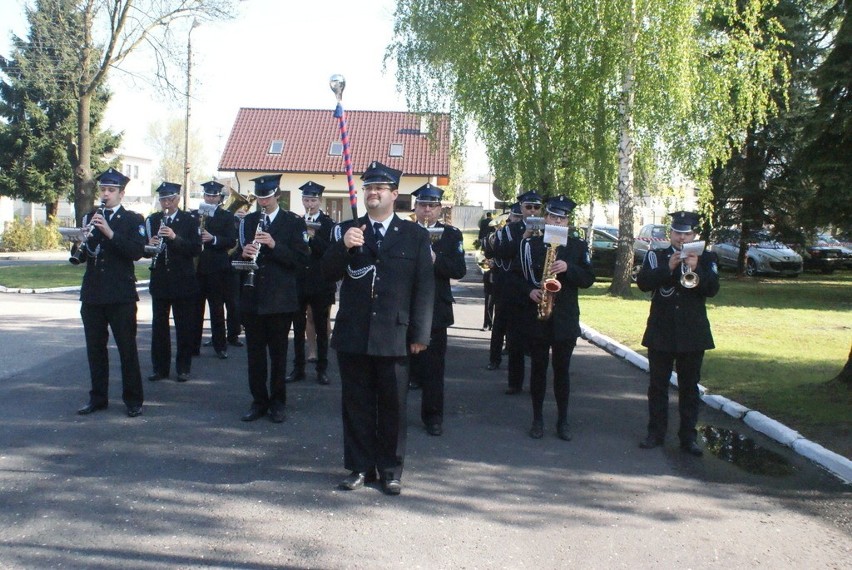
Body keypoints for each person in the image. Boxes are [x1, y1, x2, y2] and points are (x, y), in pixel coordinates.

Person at [321, 161, 435, 496]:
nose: (373, 193)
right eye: (368, 187)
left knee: (393, 406)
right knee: (356, 404)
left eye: (380, 188)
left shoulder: (415, 235)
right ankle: (358, 467)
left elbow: (424, 288)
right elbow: (323, 276)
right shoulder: (349, 230)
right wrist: (342, 246)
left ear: (393, 195)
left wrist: (420, 335)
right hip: (354, 333)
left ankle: (390, 470)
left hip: (395, 335)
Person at [507, 196, 595, 440]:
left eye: (562, 217)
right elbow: (514, 277)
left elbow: (588, 279)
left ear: (568, 221)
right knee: (537, 370)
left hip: (565, 319)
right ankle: (537, 419)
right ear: (545, 218)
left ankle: (563, 421)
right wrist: (529, 291)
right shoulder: (531, 245)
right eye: (553, 216)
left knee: (562, 372)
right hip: (537, 317)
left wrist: (569, 268)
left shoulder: (577, 247)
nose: (557, 220)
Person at [636, 210, 720, 457]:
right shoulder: (656, 255)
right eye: (677, 233)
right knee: (657, 386)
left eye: (687, 234)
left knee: (689, 388)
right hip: (661, 331)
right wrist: (667, 267)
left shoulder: (707, 258)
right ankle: (655, 433)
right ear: (670, 233)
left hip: (692, 333)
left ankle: (688, 438)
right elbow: (643, 284)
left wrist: (698, 269)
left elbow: (713, 289)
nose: (681, 239)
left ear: (694, 235)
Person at [234, 174, 310, 423]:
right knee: (255, 356)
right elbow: (234, 257)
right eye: (259, 198)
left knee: (278, 355)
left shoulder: (293, 223)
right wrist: (243, 253)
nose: (263, 202)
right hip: (253, 297)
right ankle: (258, 401)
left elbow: (301, 260)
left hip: (280, 300)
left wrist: (275, 245)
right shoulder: (248, 222)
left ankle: (278, 402)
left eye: (267, 197)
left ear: (278, 196)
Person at [76, 168, 147, 417]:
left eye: (111, 190)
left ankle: (133, 400)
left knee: (127, 349)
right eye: (103, 190)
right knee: (95, 349)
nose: (106, 194)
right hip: (93, 293)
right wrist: (80, 242)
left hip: (120, 295)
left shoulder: (133, 219)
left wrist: (110, 232)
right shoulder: (90, 217)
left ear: (121, 193)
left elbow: (136, 251)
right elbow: (85, 255)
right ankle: (98, 397)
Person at [408, 183, 467, 436]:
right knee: (403, 365)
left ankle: (433, 417)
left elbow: (459, 270)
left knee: (434, 368)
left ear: (440, 209)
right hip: (407, 306)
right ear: (416, 207)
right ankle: (396, 415)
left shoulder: (451, 235)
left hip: (436, 308)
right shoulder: (406, 231)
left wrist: (436, 260)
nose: (427, 211)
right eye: (423, 205)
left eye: (432, 206)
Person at [145, 182, 202, 383]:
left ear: (178, 199)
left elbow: (195, 249)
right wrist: (149, 246)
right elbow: (144, 249)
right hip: (160, 279)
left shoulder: (189, 220)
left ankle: (183, 367)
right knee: (159, 327)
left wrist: (174, 237)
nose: (166, 203)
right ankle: (160, 368)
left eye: (169, 199)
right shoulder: (152, 220)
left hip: (183, 281)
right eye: (162, 199)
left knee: (184, 326)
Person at [491, 191, 544, 394]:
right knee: (515, 340)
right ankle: (515, 382)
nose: (532, 211)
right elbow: (502, 253)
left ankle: (538, 383)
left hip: (539, 289)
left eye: (536, 207)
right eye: (528, 207)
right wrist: (524, 238)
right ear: (521, 208)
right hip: (515, 290)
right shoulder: (510, 230)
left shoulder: (547, 229)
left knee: (539, 341)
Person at [287, 181, 337, 385]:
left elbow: (329, 252)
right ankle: (298, 367)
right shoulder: (296, 223)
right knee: (297, 328)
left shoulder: (328, 224)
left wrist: (313, 237)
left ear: (320, 201)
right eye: (307, 199)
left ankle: (322, 368)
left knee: (321, 327)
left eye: (314, 200)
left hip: (320, 282)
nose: (310, 203)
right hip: (299, 282)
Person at [194, 181, 237, 359]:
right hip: (197, 268)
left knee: (217, 309)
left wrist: (213, 239)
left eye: (214, 196)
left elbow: (231, 241)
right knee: (195, 309)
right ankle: (193, 346)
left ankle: (220, 345)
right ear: (204, 196)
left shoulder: (226, 216)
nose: (211, 198)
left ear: (220, 197)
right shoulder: (195, 214)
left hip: (217, 268)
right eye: (208, 195)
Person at [484, 203, 522, 369]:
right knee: (500, 322)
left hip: (521, 284)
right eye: (516, 217)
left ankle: (516, 351)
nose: (518, 220)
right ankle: (495, 358)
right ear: (510, 217)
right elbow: (498, 252)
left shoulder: (533, 233)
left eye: (520, 217)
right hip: (504, 282)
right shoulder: (501, 233)